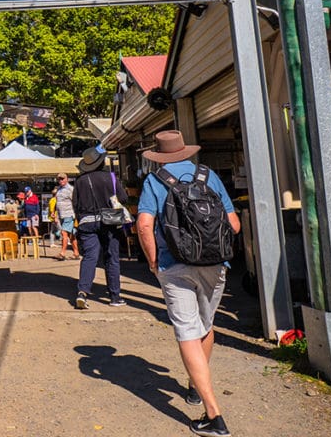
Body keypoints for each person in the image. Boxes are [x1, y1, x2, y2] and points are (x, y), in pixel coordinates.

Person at [136, 130, 241, 437]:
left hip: (175, 264)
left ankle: (214, 416)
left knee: (186, 330)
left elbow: (144, 225)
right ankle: (195, 386)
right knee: (205, 326)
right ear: (185, 151)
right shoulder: (209, 177)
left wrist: (154, 262)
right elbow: (233, 224)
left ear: (160, 155)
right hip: (215, 264)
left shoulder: (155, 182)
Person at [71, 144, 128, 309]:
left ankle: (82, 292)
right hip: (110, 221)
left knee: (90, 257)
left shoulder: (80, 181)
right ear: (101, 163)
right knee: (112, 258)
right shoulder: (110, 177)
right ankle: (115, 297)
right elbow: (123, 198)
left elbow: (76, 204)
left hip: (87, 222)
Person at [53, 173, 80, 260]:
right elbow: (57, 202)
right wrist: (54, 212)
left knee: (63, 233)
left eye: (63, 179)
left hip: (69, 215)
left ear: (67, 179)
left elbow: (76, 202)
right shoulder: (59, 190)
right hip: (62, 215)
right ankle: (76, 253)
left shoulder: (71, 189)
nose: (61, 181)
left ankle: (62, 253)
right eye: (59, 179)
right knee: (71, 236)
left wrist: (77, 215)